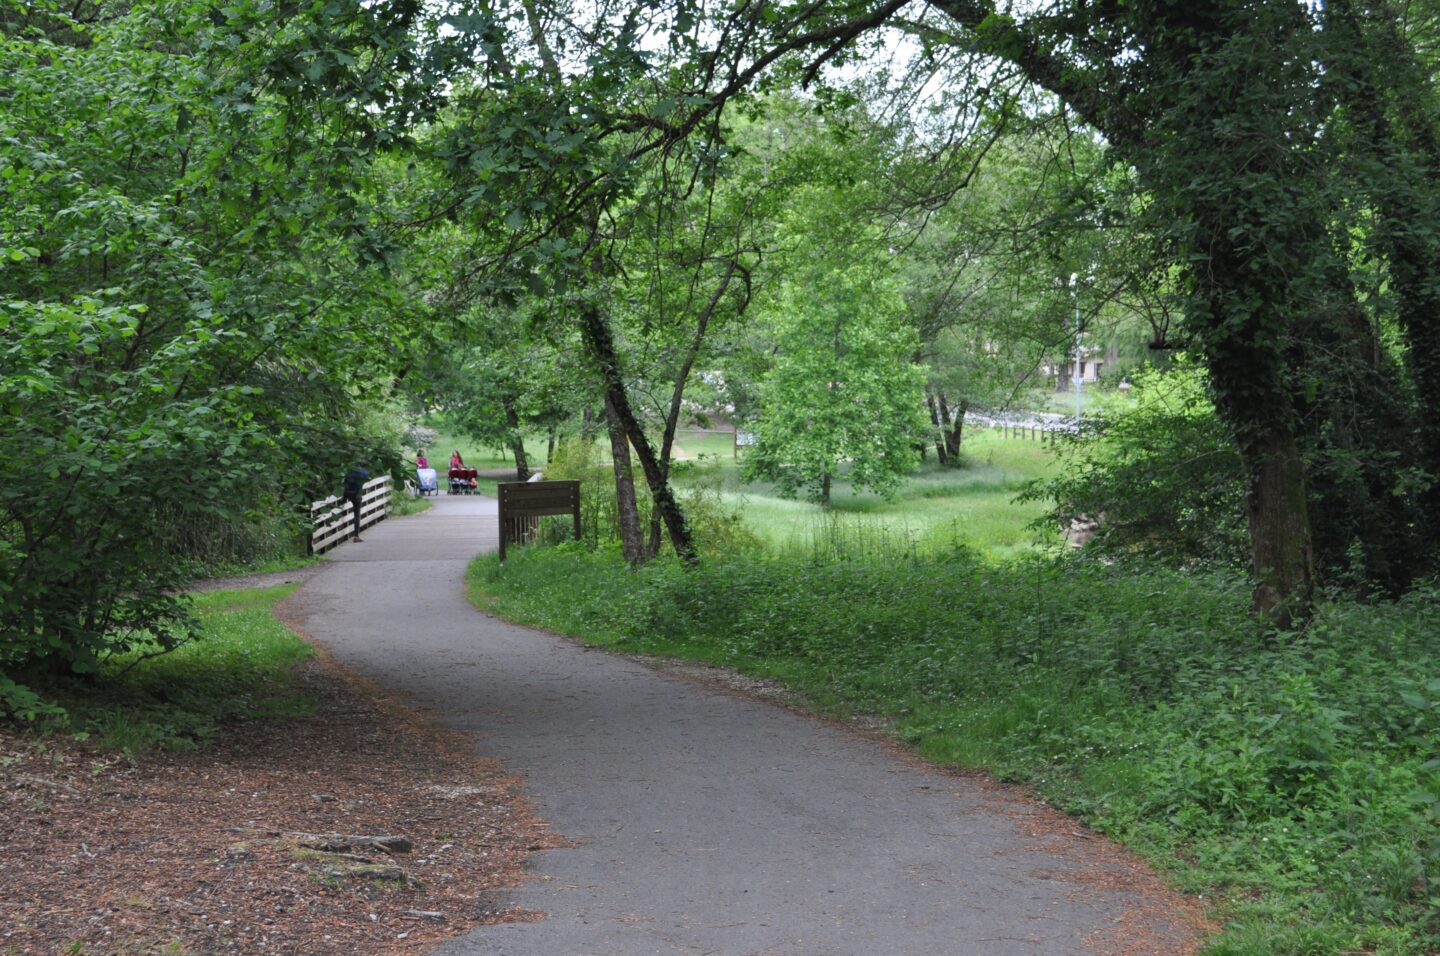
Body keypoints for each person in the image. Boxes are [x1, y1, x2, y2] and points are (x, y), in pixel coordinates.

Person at [342, 462, 369, 543]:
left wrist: (344, 496)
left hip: (347, 493)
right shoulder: (364, 472)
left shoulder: (349, 471)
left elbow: (345, 482)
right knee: (356, 515)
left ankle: (343, 500)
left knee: (342, 507)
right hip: (357, 494)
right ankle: (356, 536)